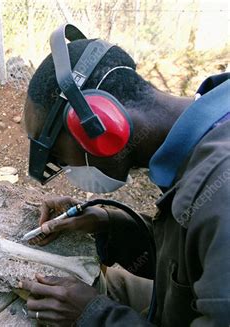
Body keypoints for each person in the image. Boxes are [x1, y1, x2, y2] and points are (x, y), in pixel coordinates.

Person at [19, 24, 229, 326]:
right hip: (179, 303)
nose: (66, 169)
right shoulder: (203, 137)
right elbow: (192, 257)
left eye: (60, 157)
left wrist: (93, 316)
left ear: (100, 127)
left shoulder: (222, 190)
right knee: (100, 284)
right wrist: (108, 225)